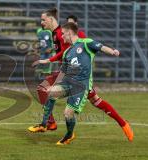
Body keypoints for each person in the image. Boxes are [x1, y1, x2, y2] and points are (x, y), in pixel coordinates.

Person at [31, 13, 134, 142]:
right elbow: (64, 71)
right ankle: (46, 124)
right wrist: (55, 84)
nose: (61, 36)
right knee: (50, 93)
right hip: (69, 83)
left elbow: (101, 47)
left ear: (69, 33)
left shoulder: (85, 43)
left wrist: (112, 51)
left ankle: (68, 134)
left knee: (70, 112)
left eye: (63, 34)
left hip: (81, 86)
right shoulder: (68, 52)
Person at [31, 8, 86, 131]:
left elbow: (67, 52)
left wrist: (47, 60)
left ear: (50, 19)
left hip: (71, 73)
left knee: (45, 90)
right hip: (66, 71)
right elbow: (63, 52)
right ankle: (50, 123)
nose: (41, 22)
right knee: (43, 89)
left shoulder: (61, 33)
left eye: (43, 20)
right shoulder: (55, 33)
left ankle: (52, 124)